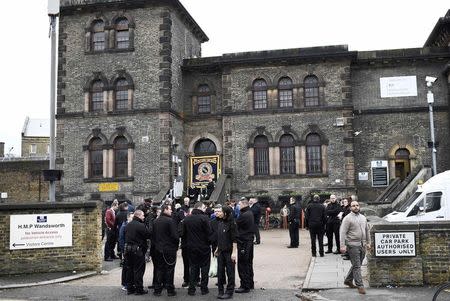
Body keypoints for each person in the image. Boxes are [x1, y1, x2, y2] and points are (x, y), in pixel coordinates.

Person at [181, 201, 213, 296]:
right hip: (204, 246)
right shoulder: (205, 218)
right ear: (199, 208)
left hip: (191, 246)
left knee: (193, 267)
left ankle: (191, 289)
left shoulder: (187, 219)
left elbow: (183, 234)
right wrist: (210, 241)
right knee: (204, 267)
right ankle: (204, 288)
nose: (205, 209)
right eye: (203, 207)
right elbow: (209, 232)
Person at [339, 200, 370, 295]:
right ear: (350, 207)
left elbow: (367, 230)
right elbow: (342, 232)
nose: (356, 207)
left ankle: (348, 280)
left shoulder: (363, 217)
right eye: (353, 206)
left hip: (362, 244)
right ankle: (360, 286)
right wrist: (342, 245)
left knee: (357, 264)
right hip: (352, 244)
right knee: (357, 266)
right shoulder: (347, 219)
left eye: (357, 205)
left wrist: (368, 242)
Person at [152, 203, 179, 297]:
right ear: (165, 210)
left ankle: (157, 290)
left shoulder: (156, 221)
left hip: (158, 249)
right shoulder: (170, 221)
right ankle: (170, 290)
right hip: (169, 249)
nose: (171, 211)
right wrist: (176, 246)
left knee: (159, 269)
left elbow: (153, 236)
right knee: (169, 269)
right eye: (170, 209)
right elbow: (175, 236)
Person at [124, 210, 152, 295]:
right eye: (143, 215)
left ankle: (130, 288)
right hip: (137, 250)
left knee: (130, 269)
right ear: (139, 216)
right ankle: (139, 289)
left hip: (128, 250)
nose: (144, 217)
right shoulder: (141, 225)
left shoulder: (128, 225)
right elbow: (148, 235)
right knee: (138, 270)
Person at [215, 205, 237, 300]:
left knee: (230, 272)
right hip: (220, 251)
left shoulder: (232, 224)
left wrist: (234, 252)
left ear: (225, 213)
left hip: (229, 252)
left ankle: (229, 292)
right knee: (220, 272)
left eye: (220, 211)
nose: (218, 213)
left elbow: (235, 239)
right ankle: (220, 290)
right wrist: (217, 248)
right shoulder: (220, 223)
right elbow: (220, 237)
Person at [235, 198, 255, 293]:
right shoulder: (249, 213)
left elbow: (236, 224)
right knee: (248, 263)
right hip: (248, 240)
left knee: (242, 264)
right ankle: (250, 283)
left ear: (244, 204)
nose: (238, 206)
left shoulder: (245, 215)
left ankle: (245, 285)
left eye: (239, 204)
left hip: (244, 242)